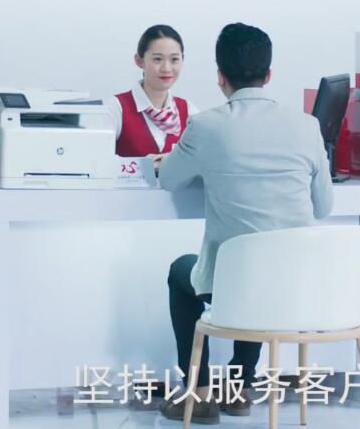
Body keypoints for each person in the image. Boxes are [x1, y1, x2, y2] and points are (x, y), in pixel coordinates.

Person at [157, 23, 333, 423]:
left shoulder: (206, 126)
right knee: (259, 265)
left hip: (237, 285)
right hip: (294, 285)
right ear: (268, 75)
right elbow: (323, 206)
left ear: (220, 76)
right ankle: (239, 389)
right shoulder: (307, 126)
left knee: (184, 271)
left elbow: (168, 179)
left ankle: (200, 394)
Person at [106, 25, 199, 163]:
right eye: (157, 59)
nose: (166, 68)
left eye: (174, 59)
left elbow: (203, 161)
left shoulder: (189, 111)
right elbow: (99, 161)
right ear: (139, 61)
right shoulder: (116, 108)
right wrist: (144, 165)